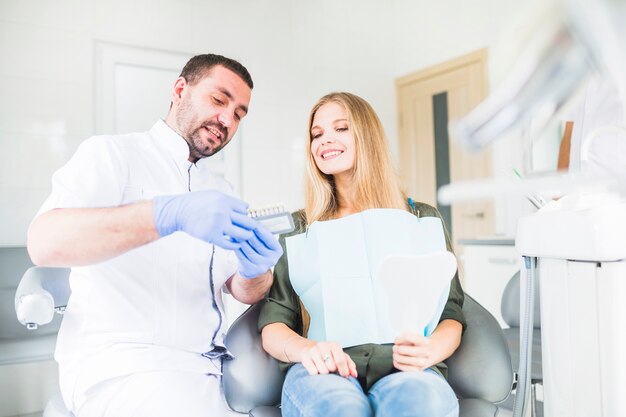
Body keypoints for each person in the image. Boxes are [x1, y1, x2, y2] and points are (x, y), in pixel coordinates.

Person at [27, 54, 283, 417]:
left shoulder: (221, 190)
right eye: (219, 100)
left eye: (239, 113)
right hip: (121, 367)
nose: (227, 119)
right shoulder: (112, 155)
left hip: (208, 370)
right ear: (180, 90)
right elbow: (44, 243)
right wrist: (166, 214)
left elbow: (241, 288)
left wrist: (256, 268)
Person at [258, 92, 465, 417]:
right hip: (325, 369)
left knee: (415, 407)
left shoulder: (422, 219)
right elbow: (274, 323)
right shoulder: (298, 228)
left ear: (366, 136)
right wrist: (308, 350)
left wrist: (429, 352)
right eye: (317, 134)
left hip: (408, 369)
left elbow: (451, 314)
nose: (325, 140)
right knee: (339, 410)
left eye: (341, 128)